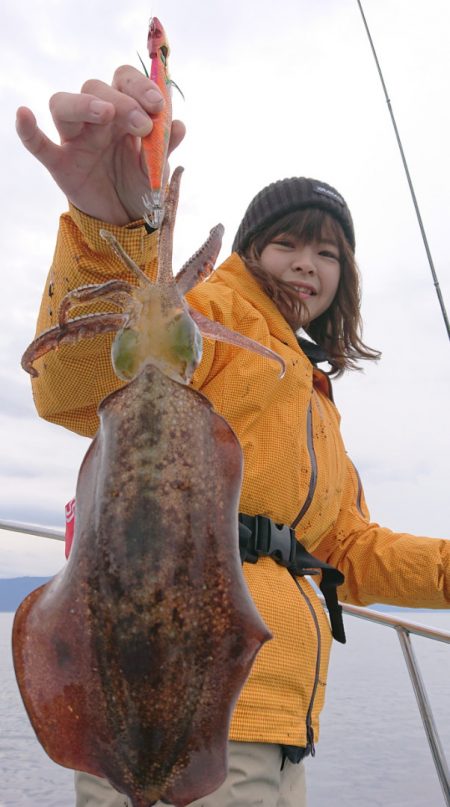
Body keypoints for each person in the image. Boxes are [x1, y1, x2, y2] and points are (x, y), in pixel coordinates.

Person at [17, 65, 449, 807]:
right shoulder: (213, 314)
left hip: (273, 731)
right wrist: (109, 230)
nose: (308, 264)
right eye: (289, 243)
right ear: (249, 251)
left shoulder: (313, 392)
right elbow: (79, 388)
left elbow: (343, 547)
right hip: (177, 707)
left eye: (329, 253)